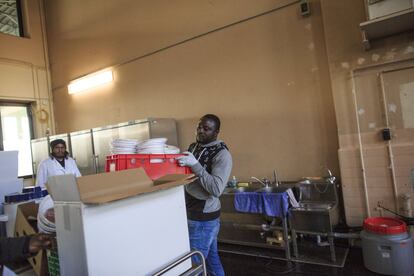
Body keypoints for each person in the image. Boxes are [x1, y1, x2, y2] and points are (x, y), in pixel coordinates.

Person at [176, 114, 232, 276]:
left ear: (216, 132)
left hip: (204, 218)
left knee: (194, 266)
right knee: (212, 260)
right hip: (191, 210)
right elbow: (187, 174)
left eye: (206, 129)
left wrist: (195, 165)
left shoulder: (222, 155)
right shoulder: (194, 147)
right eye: (199, 127)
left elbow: (216, 189)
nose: (200, 131)